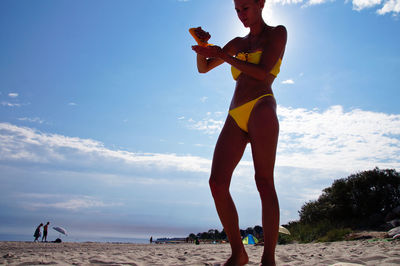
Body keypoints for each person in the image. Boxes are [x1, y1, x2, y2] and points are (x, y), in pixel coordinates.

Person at [191, 0, 287, 265]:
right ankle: (238, 252)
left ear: (261, 4)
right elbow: (204, 67)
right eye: (236, 10)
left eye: (245, 8)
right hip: (235, 112)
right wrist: (202, 48)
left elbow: (262, 72)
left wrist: (224, 56)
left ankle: (268, 258)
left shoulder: (277, 33)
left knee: (264, 182)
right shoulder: (236, 42)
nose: (241, 14)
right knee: (217, 182)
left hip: (261, 107)